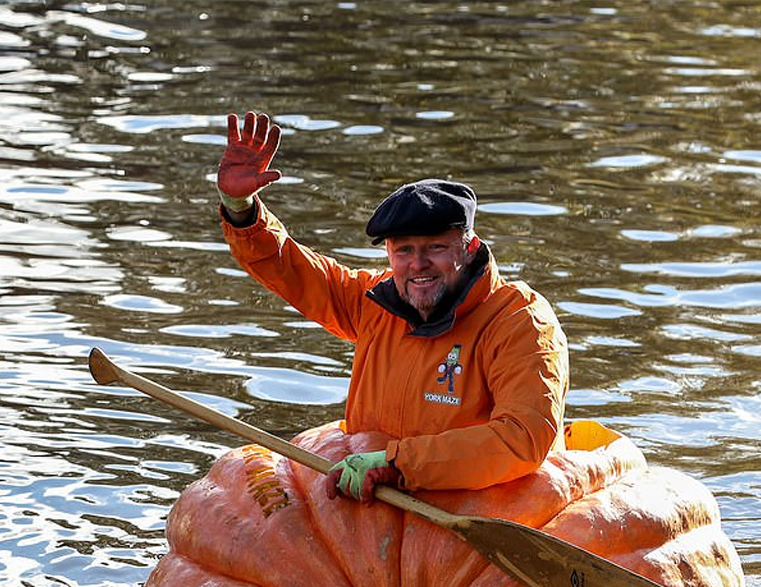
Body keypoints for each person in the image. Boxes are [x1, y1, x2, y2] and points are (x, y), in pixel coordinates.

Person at [216, 111, 568, 504]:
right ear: (389, 253)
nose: (418, 265)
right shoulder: (375, 300)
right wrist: (241, 207)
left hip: (479, 512)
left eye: (435, 248)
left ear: (467, 249)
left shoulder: (520, 321)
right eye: (403, 251)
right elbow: (293, 270)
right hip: (372, 512)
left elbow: (521, 439)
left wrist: (397, 464)